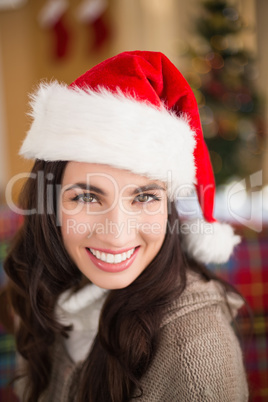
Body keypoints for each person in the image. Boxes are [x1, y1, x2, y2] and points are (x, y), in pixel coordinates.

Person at [2, 50, 248, 401]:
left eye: (145, 197)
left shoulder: (196, 348)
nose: (117, 233)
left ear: (168, 208)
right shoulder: (47, 289)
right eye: (87, 197)